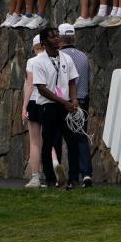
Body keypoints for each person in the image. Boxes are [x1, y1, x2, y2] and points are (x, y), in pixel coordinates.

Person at [32, 27, 81, 189]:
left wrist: (73, 100)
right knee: (48, 143)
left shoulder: (66, 58)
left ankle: (74, 178)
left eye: (57, 36)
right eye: (52, 37)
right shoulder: (39, 61)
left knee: (72, 140)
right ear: (43, 42)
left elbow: (72, 81)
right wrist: (64, 102)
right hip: (49, 107)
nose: (56, 39)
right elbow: (42, 88)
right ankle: (50, 178)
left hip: (65, 106)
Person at [58, 23, 94, 187]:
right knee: (81, 137)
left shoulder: (59, 56)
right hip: (82, 100)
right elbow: (89, 80)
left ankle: (67, 176)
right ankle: (86, 174)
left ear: (59, 37)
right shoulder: (83, 57)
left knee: (62, 138)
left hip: (64, 101)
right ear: (74, 37)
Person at [22, 35, 52, 187]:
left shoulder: (32, 61)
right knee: (50, 140)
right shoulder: (53, 59)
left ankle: (35, 177)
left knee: (35, 142)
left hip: (35, 101)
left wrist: (24, 106)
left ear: (35, 47)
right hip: (50, 102)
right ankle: (55, 166)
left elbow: (30, 84)